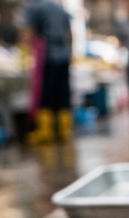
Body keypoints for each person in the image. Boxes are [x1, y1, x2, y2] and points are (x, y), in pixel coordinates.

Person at [22, 0, 74, 143]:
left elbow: (27, 32)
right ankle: (64, 131)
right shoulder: (60, 9)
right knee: (63, 92)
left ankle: (45, 131)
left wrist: (23, 54)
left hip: (47, 56)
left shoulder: (34, 8)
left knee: (46, 92)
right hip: (63, 57)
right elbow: (70, 34)